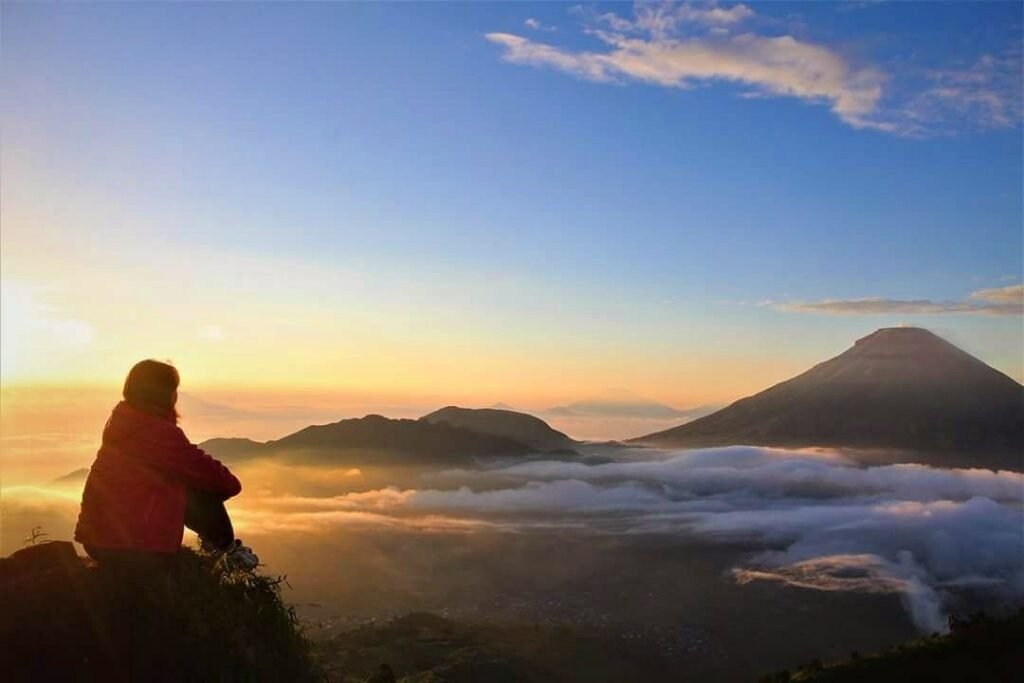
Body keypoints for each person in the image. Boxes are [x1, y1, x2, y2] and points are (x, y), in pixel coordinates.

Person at [75, 359, 258, 572]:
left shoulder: (121, 424)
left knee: (180, 482)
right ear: (166, 394)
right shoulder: (158, 433)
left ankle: (223, 549)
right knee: (195, 489)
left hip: (96, 541)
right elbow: (226, 483)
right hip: (131, 547)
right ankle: (226, 550)